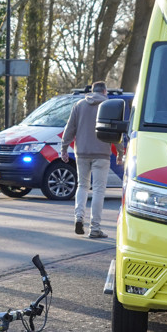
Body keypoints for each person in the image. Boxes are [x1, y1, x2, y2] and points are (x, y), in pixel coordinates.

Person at [60, 81, 113, 239]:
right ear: (104, 91)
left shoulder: (79, 105)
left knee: (82, 186)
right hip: (102, 153)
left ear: (91, 91)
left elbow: (70, 128)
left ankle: (78, 218)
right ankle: (95, 228)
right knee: (98, 190)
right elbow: (115, 130)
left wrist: (64, 148)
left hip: (81, 152)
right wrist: (121, 152)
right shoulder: (108, 106)